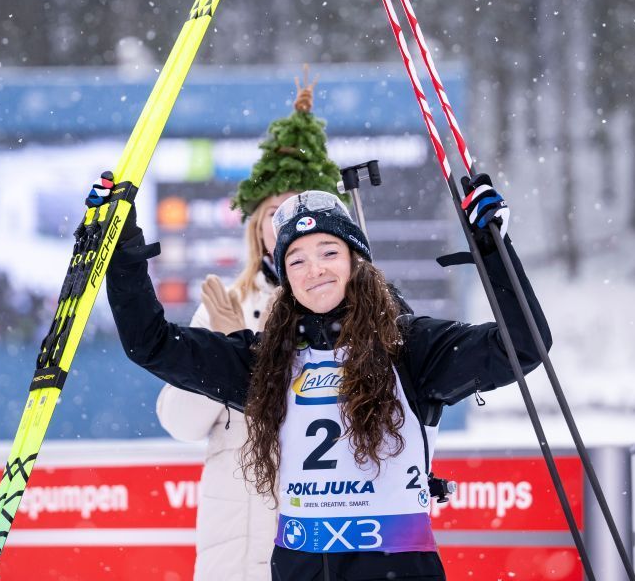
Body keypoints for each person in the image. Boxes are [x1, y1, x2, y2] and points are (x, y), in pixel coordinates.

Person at [101, 170, 551, 580]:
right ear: (285, 277)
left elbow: (523, 346)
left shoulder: (408, 346)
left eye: (329, 252)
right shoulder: (267, 362)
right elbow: (151, 344)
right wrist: (123, 251)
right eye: (296, 260)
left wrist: (494, 251)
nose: (314, 269)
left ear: (356, 261)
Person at [154, 80, 344, 581]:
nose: (288, 227)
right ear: (256, 227)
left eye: (301, 212)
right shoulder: (228, 302)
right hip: (235, 547)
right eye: (275, 215)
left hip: (327, 534)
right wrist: (221, 348)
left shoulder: (361, 309)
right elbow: (180, 424)